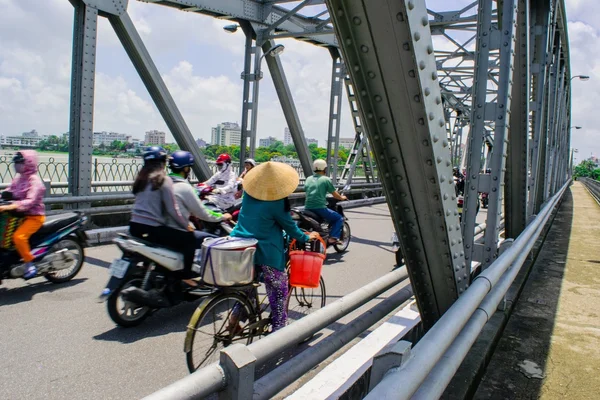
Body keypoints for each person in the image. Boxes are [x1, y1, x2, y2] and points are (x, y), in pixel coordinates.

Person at [230, 162, 320, 332]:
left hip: (241, 247)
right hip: (265, 251)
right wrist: (305, 236)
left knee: (248, 284)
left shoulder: (249, 194)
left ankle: (236, 315)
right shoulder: (276, 202)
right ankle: (278, 331)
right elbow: (290, 227)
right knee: (279, 290)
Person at [129, 147, 201, 286]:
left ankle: (149, 269)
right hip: (152, 228)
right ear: (162, 162)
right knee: (189, 240)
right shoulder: (163, 179)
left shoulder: (141, 179)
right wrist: (185, 226)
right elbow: (172, 209)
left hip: (133, 226)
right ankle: (185, 276)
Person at [166, 150, 232, 270]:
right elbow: (202, 212)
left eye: (220, 164)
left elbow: (230, 186)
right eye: (218, 165)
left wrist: (221, 190)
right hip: (179, 228)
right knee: (211, 241)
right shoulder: (185, 188)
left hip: (226, 199)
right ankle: (199, 273)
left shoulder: (162, 182)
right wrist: (199, 187)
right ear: (186, 169)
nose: (219, 167)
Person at [0, 151, 46, 279]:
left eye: (19, 163)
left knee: (18, 237)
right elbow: (8, 192)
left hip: (33, 217)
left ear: (28, 163)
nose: (16, 165)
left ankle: (29, 263)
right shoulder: (18, 179)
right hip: (17, 216)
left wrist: (13, 205)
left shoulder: (35, 181)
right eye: (15, 163)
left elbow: (30, 201)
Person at [304, 159, 347, 246]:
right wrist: (342, 197)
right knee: (339, 218)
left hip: (307, 207)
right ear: (324, 169)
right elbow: (335, 195)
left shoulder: (308, 179)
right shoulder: (325, 179)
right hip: (319, 207)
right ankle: (333, 238)